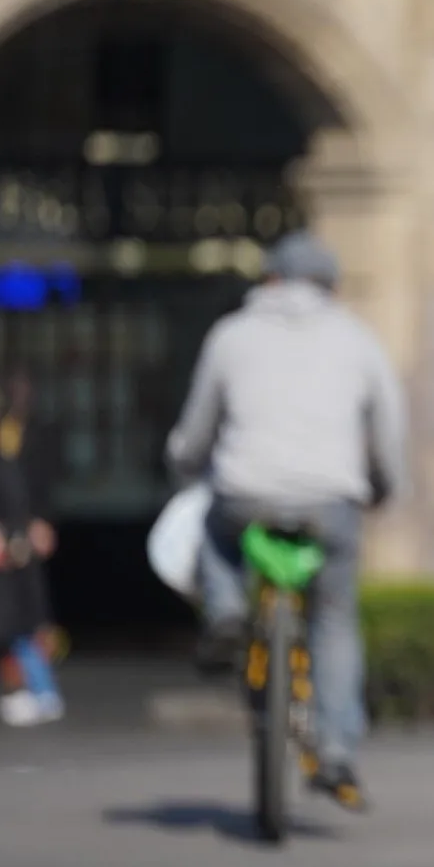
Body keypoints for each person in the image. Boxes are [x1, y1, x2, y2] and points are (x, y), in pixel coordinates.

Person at [166, 230, 408, 808]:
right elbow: (388, 429)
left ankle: (224, 612)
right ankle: (335, 749)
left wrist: (184, 466)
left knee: (215, 534)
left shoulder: (231, 335)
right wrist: (385, 488)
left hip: (244, 493)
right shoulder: (358, 338)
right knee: (332, 617)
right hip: (332, 500)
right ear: (331, 285)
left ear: (269, 278)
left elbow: (196, 430)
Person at [0, 386, 63, 726]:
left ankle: (44, 693)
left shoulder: (2, 469)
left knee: (17, 633)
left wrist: (3, 536)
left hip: (4, 571)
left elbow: (19, 515)